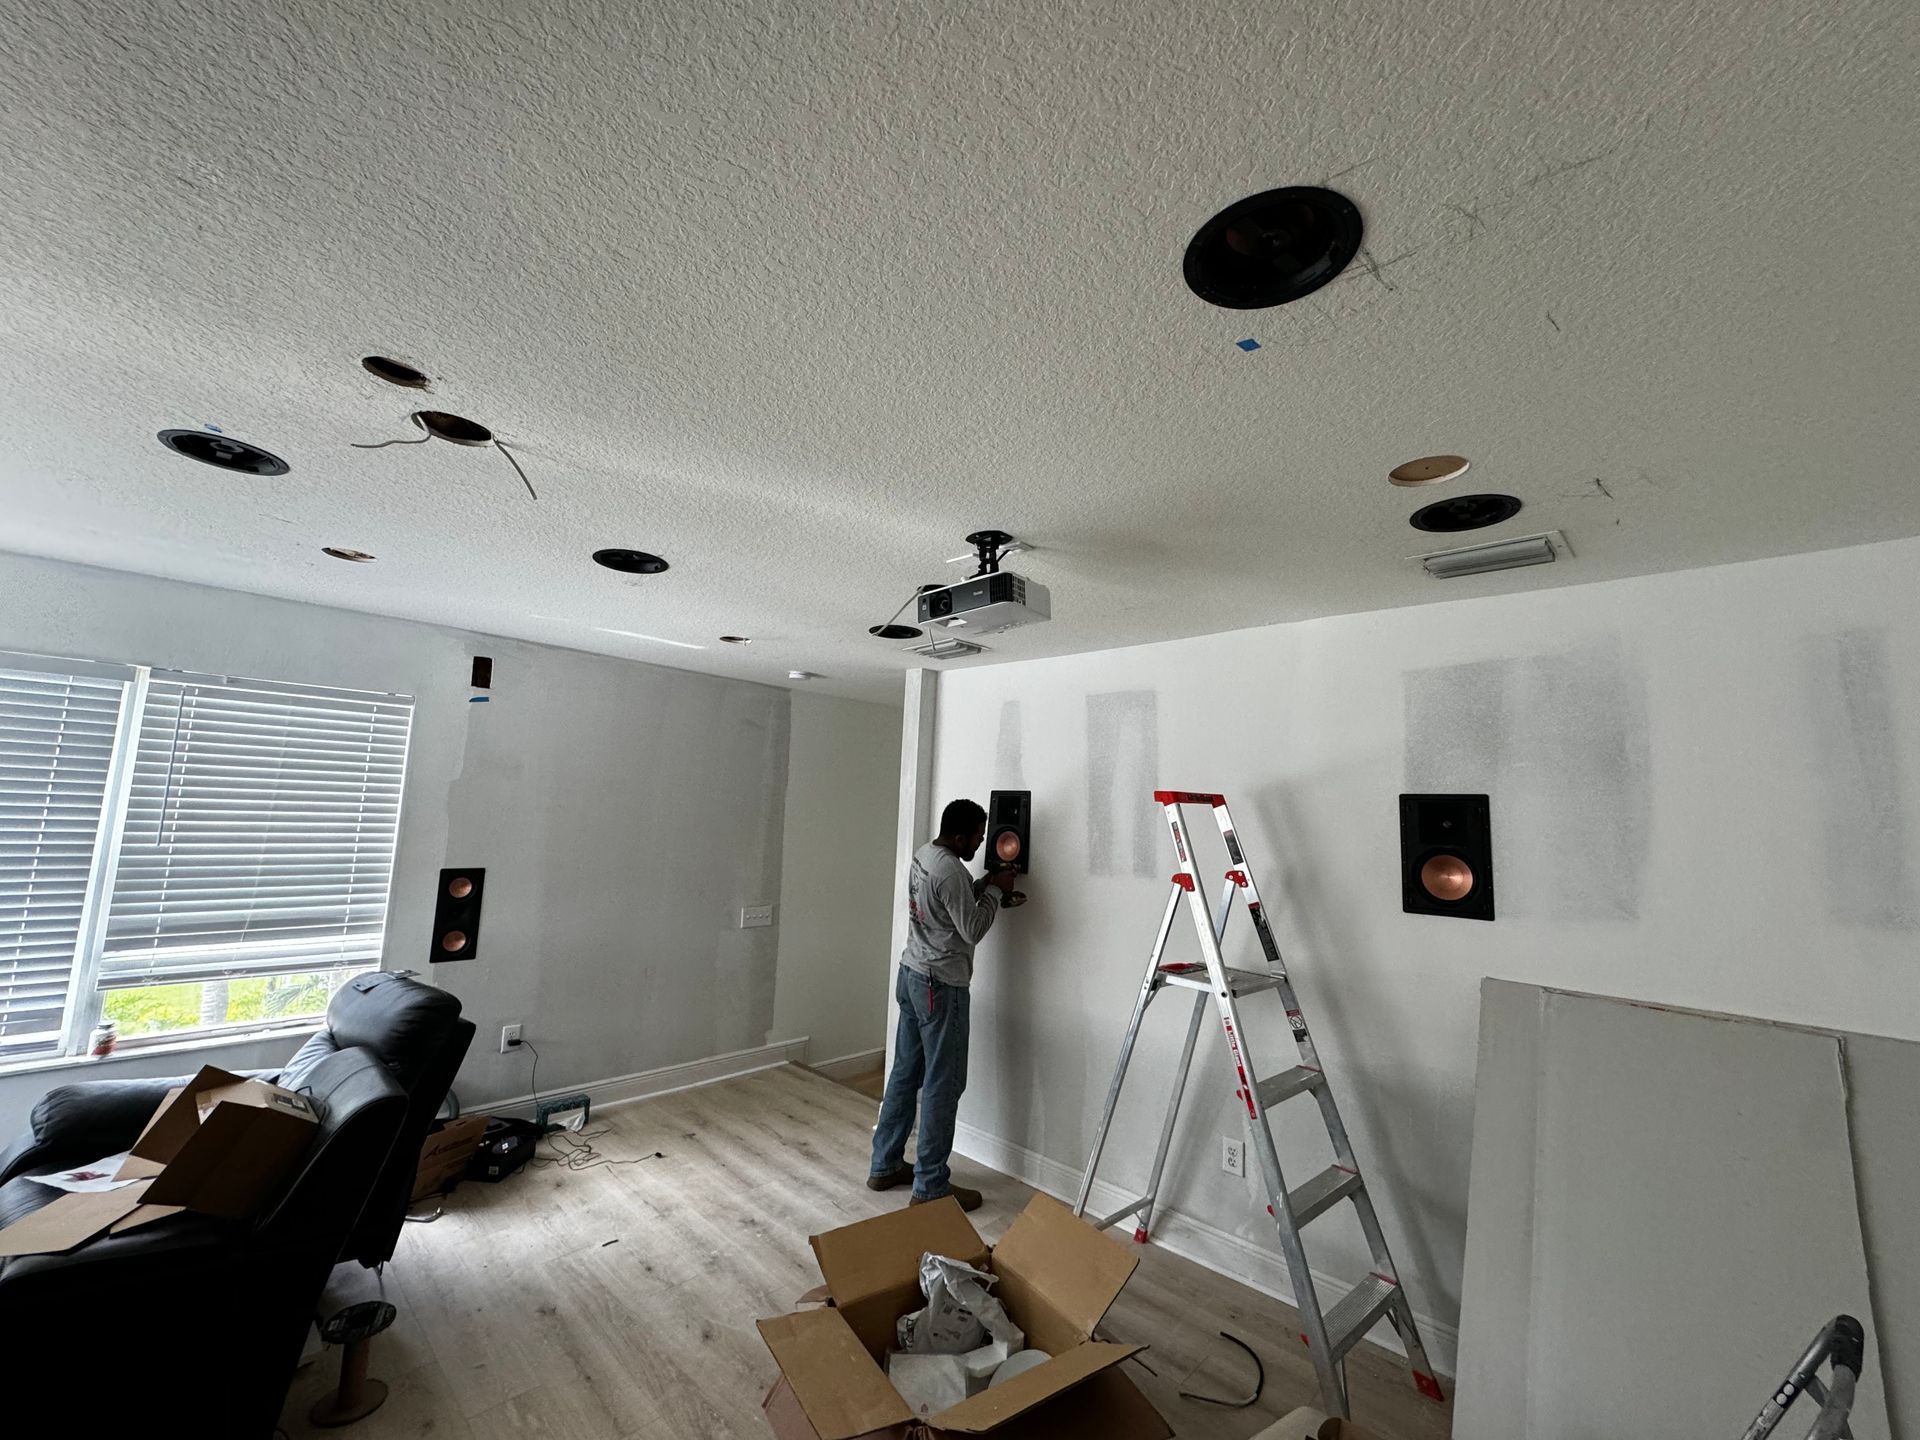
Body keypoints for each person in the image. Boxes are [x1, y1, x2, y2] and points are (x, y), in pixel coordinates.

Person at [867, 797, 1019, 1210]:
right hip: (941, 986)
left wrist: (983, 883)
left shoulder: (926, 855)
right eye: (976, 837)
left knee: (905, 1073)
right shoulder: (951, 869)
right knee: (943, 1084)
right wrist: (994, 894)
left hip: (912, 973)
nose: (981, 843)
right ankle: (931, 1185)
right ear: (958, 835)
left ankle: (884, 1165)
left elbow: (945, 907)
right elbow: (971, 928)